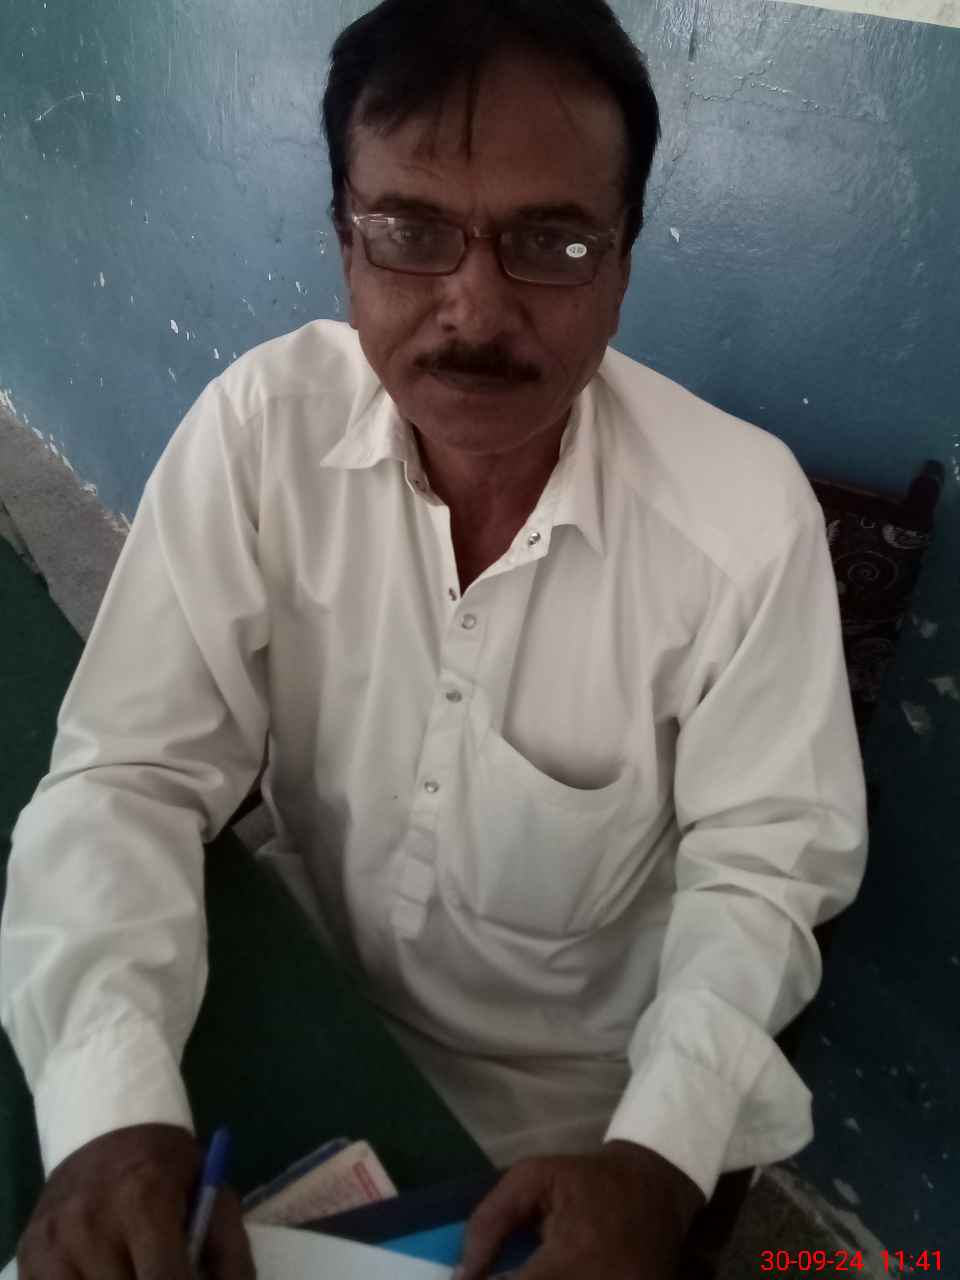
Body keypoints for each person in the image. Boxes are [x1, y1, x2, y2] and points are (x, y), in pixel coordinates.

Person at [0, 0, 869, 1277]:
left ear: (622, 262)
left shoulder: (741, 520)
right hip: (288, 994)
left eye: (552, 242)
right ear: (343, 242)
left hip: (556, 1133)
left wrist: (660, 1157)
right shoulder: (262, 429)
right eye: (409, 232)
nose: (474, 308)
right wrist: (110, 1116)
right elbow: (130, 769)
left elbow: (766, 872)